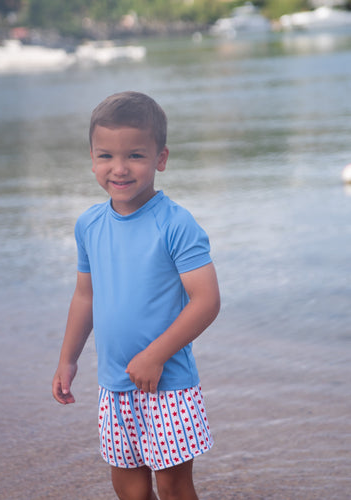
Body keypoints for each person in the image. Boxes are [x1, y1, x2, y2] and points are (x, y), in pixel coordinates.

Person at [52, 91, 220, 500]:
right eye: (106, 156)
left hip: (169, 383)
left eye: (136, 156)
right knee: (126, 477)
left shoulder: (176, 224)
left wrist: (156, 355)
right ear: (92, 159)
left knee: (173, 484)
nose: (120, 169)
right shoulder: (89, 224)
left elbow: (206, 300)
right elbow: (85, 297)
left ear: (161, 159)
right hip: (114, 383)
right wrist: (67, 359)